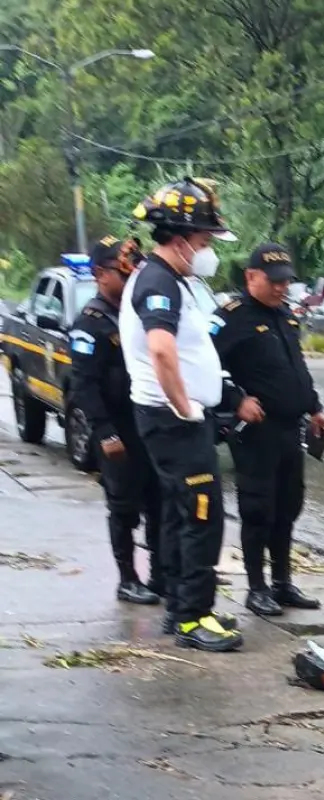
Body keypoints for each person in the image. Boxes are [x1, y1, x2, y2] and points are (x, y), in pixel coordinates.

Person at [123, 177, 246, 653]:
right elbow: (162, 352)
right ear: (180, 240)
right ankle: (195, 617)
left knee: (180, 514)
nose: (208, 249)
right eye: (204, 241)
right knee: (201, 515)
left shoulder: (173, 280)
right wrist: (185, 407)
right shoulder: (158, 282)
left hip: (173, 420)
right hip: (174, 422)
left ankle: (181, 606)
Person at [211, 243, 324, 617]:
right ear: (250, 277)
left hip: (289, 429)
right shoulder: (230, 317)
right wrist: (235, 400)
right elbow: (204, 367)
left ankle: (282, 582)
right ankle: (257, 587)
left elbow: (296, 368)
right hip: (255, 431)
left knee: (287, 507)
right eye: (273, 281)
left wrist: (314, 407)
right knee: (258, 510)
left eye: (285, 281)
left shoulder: (285, 316)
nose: (281, 288)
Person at [68, 235, 162, 605]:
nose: (129, 282)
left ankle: (160, 574)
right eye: (122, 275)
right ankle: (127, 577)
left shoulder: (136, 315)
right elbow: (84, 384)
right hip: (117, 430)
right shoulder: (90, 322)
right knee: (123, 506)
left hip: (148, 423)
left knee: (159, 500)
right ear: (100, 275)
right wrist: (104, 432)